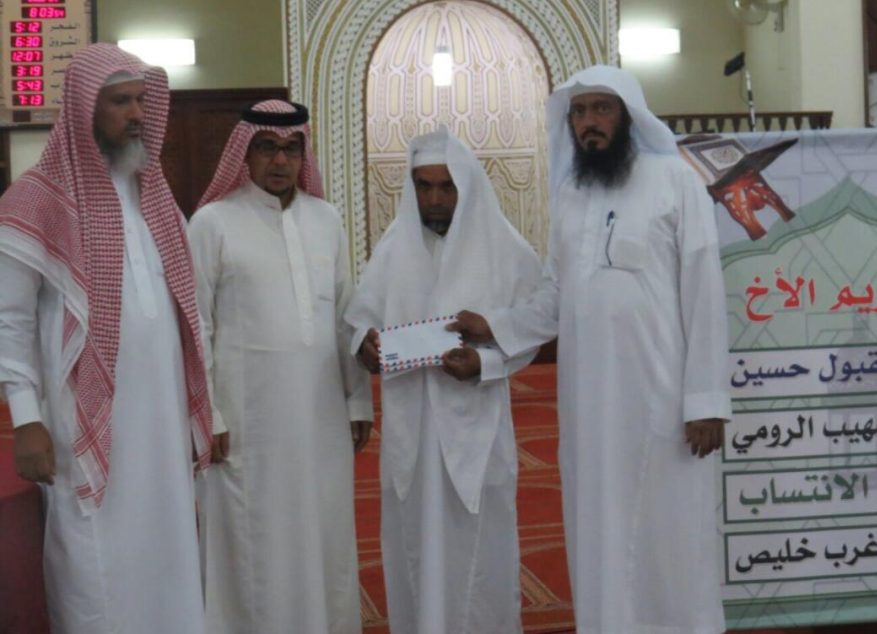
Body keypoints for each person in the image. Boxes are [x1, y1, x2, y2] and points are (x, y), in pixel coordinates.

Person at [450, 65, 732, 634]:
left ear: (628, 117)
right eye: (579, 112)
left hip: (662, 402)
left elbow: (705, 293)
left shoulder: (675, 181)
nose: (589, 122)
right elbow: (557, 296)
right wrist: (495, 327)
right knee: (598, 531)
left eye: (602, 109)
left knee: (671, 537)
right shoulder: (572, 195)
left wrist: (705, 401)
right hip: (590, 409)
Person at [0, 43, 212, 634]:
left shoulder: (156, 199)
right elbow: (8, 321)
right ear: (84, 108)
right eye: (120, 102)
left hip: (161, 418)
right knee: (93, 560)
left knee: (169, 546)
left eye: (142, 100)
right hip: (83, 419)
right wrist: (26, 419)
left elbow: (188, 311)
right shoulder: (37, 200)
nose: (137, 113)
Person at [345, 127, 542, 634]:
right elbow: (359, 319)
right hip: (410, 428)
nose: (434, 198)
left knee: (481, 550)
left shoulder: (503, 246)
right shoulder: (394, 247)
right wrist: (364, 345)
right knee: (413, 546)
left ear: (466, 186)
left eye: (446, 186)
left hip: (477, 428)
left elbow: (536, 324)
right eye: (424, 186)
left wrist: (486, 362)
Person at [187, 100, 372, 634]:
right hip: (247, 423)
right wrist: (208, 414)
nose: (280, 160)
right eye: (267, 147)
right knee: (253, 539)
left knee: (322, 531)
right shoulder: (213, 222)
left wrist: (358, 400)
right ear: (245, 153)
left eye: (292, 149)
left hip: (321, 419)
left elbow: (346, 315)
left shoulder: (326, 219)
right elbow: (197, 327)